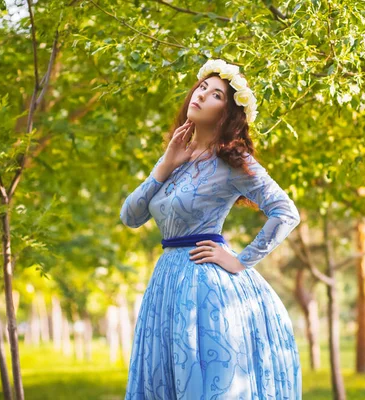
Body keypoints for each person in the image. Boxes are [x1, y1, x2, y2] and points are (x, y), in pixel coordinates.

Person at [120, 59, 302, 399]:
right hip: (166, 284)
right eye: (201, 87)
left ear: (227, 113)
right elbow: (130, 216)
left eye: (215, 94)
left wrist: (241, 260)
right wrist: (166, 163)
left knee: (206, 378)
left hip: (206, 287)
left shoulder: (235, 161)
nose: (201, 95)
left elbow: (286, 212)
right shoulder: (177, 159)